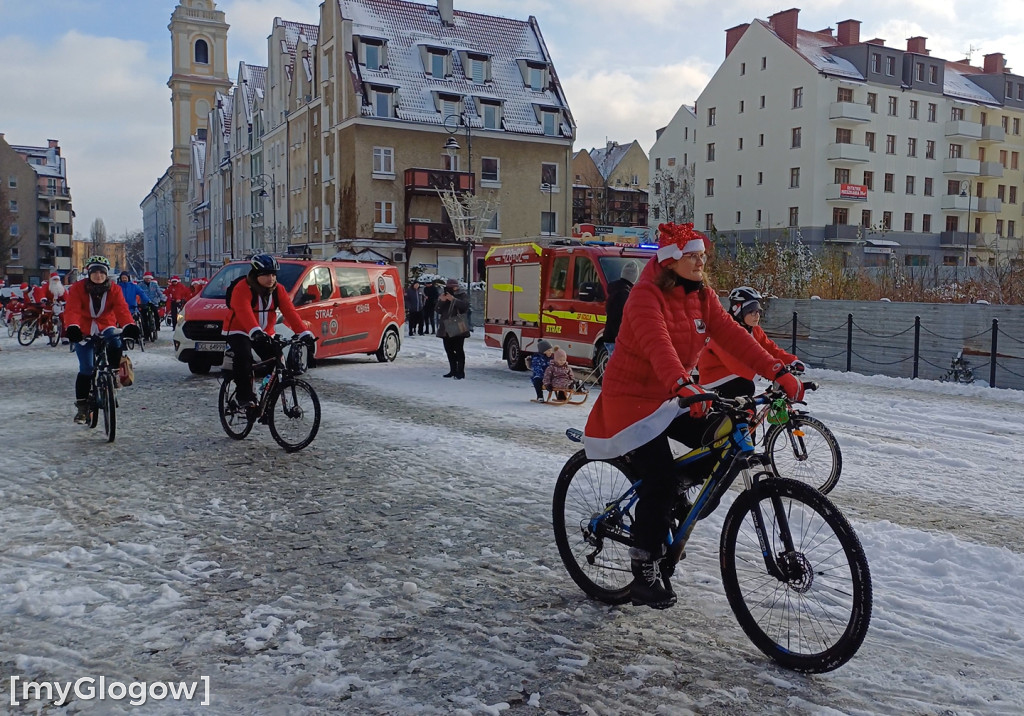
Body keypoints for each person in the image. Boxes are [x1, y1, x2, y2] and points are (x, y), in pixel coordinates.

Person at [582, 223, 804, 610]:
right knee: (661, 479)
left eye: (703, 255)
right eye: (693, 255)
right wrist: (684, 384)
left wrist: (777, 371)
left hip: (675, 394)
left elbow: (734, 336)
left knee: (723, 436)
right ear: (671, 261)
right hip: (632, 402)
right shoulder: (645, 297)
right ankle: (644, 569)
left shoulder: (702, 296)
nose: (702, 260)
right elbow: (659, 346)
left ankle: (677, 501)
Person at [221, 253, 315, 412]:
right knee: (244, 357)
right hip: (239, 330)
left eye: (273, 274)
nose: (270, 278)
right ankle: (243, 396)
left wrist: (303, 333)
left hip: (264, 332)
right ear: (256, 274)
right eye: (266, 275)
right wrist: (254, 330)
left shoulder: (278, 290)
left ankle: (266, 394)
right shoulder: (243, 288)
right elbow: (244, 311)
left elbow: (290, 312)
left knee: (276, 359)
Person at [63, 256, 140, 424]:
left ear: (107, 274)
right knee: (87, 368)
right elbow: (72, 309)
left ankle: (113, 374)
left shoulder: (114, 289)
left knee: (115, 342)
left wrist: (128, 325)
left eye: (102, 272)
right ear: (89, 273)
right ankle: (82, 407)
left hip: (106, 325)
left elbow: (122, 309)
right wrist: (73, 327)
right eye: (95, 272)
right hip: (83, 328)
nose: (98, 276)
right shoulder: (77, 288)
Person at [698, 286, 805, 399]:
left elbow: (770, 348)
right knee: (745, 388)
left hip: (736, 375)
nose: (757, 315)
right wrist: (758, 372)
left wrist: (792, 361)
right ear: (738, 310)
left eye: (758, 310)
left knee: (751, 397)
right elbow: (732, 360)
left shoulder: (755, 330)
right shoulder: (725, 331)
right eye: (751, 311)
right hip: (715, 375)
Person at [604, 259, 640, 356]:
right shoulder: (624, 294)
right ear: (634, 277)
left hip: (610, 336)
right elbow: (620, 319)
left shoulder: (615, 291)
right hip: (617, 338)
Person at [436, 278, 470, 379]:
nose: (452, 289)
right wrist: (441, 301)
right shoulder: (444, 295)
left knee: (459, 350)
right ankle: (453, 370)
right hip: (446, 326)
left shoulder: (462, 295)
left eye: (453, 287)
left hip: (457, 325)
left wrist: (453, 300)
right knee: (449, 350)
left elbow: (465, 307)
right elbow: (437, 310)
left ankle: (460, 372)